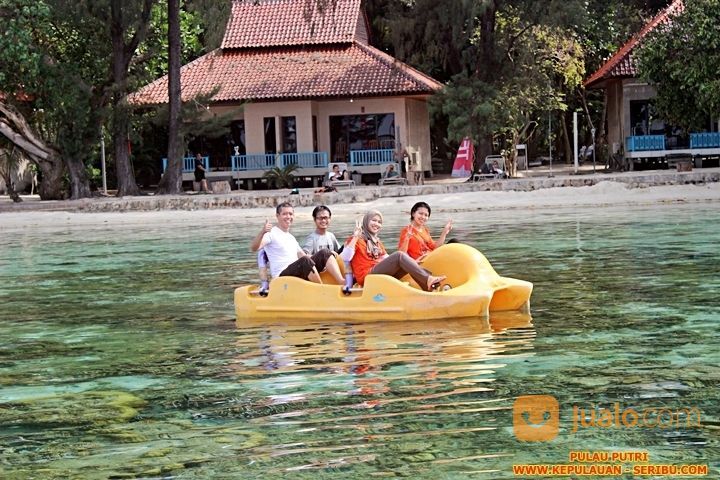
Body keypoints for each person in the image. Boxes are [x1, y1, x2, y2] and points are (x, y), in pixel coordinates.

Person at [340, 210, 446, 291]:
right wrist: (355, 236)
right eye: (373, 220)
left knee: (405, 262)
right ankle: (428, 279)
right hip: (367, 277)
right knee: (399, 255)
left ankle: (427, 288)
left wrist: (410, 262)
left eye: (379, 222)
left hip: (380, 274)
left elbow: (386, 258)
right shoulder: (355, 239)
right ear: (366, 221)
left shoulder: (376, 241)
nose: (376, 224)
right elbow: (345, 257)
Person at [250, 202, 344, 289]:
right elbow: (254, 248)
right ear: (277, 216)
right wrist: (262, 232)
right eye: (285, 214)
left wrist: (327, 255)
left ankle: (342, 282)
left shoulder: (291, 237)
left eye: (290, 214)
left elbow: (304, 255)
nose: (288, 216)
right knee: (304, 261)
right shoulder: (271, 233)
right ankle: (321, 289)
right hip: (282, 277)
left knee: (324, 252)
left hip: (297, 271)